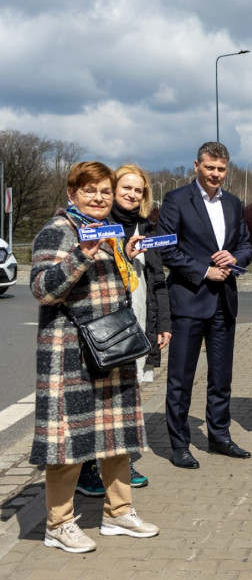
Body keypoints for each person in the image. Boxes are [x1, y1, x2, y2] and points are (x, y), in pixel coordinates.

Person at [31, 161, 159, 553]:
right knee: (68, 444)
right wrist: (81, 256)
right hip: (69, 353)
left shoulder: (111, 234)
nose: (100, 198)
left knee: (117, 438)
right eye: (90, 191)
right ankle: (58, 524)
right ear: (72, 194)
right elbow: (42, 289)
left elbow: (120, 289)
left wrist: (127, 257)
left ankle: (118, 513)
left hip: (112, 348)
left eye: (105, 191)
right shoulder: (57, 232)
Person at [156, 142, 252, 469]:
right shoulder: (176, 200)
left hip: (224, 303)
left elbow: (246, 246)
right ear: (196, 165)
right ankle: (179, 444)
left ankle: (219, 437)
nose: (215, 174)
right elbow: (167, 250)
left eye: (221, 169)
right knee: (181, 380)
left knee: (221, 377)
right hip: (188, 301)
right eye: (210, 167)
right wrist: (204, 270)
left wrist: (235, 257)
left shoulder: (234, 204)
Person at [76, 165, 172, 495]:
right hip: (106, 325)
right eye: (126, 188)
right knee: (99, 398)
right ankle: (89, 468)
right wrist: (125, 256)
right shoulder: (98, 226)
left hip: (140, 320)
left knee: (127, 396)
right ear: (113, 189)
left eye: (139, 190)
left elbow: (158, 280)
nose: (132, 194)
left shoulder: (148, 228)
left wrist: (163, 325)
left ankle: (121, 460)